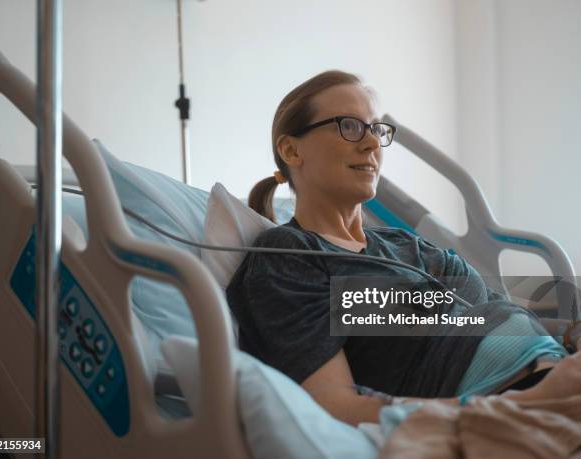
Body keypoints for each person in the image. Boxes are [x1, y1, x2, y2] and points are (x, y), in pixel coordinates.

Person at [225, 70, 581, 427]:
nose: (372, 145)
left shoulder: (409, 246)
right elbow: (335, 406)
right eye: (349, 126)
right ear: (291, 149)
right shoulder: (288, 257)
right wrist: (519, 405)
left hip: (552, 372)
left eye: (377, 130)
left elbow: (494, 312)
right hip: (516, 403)